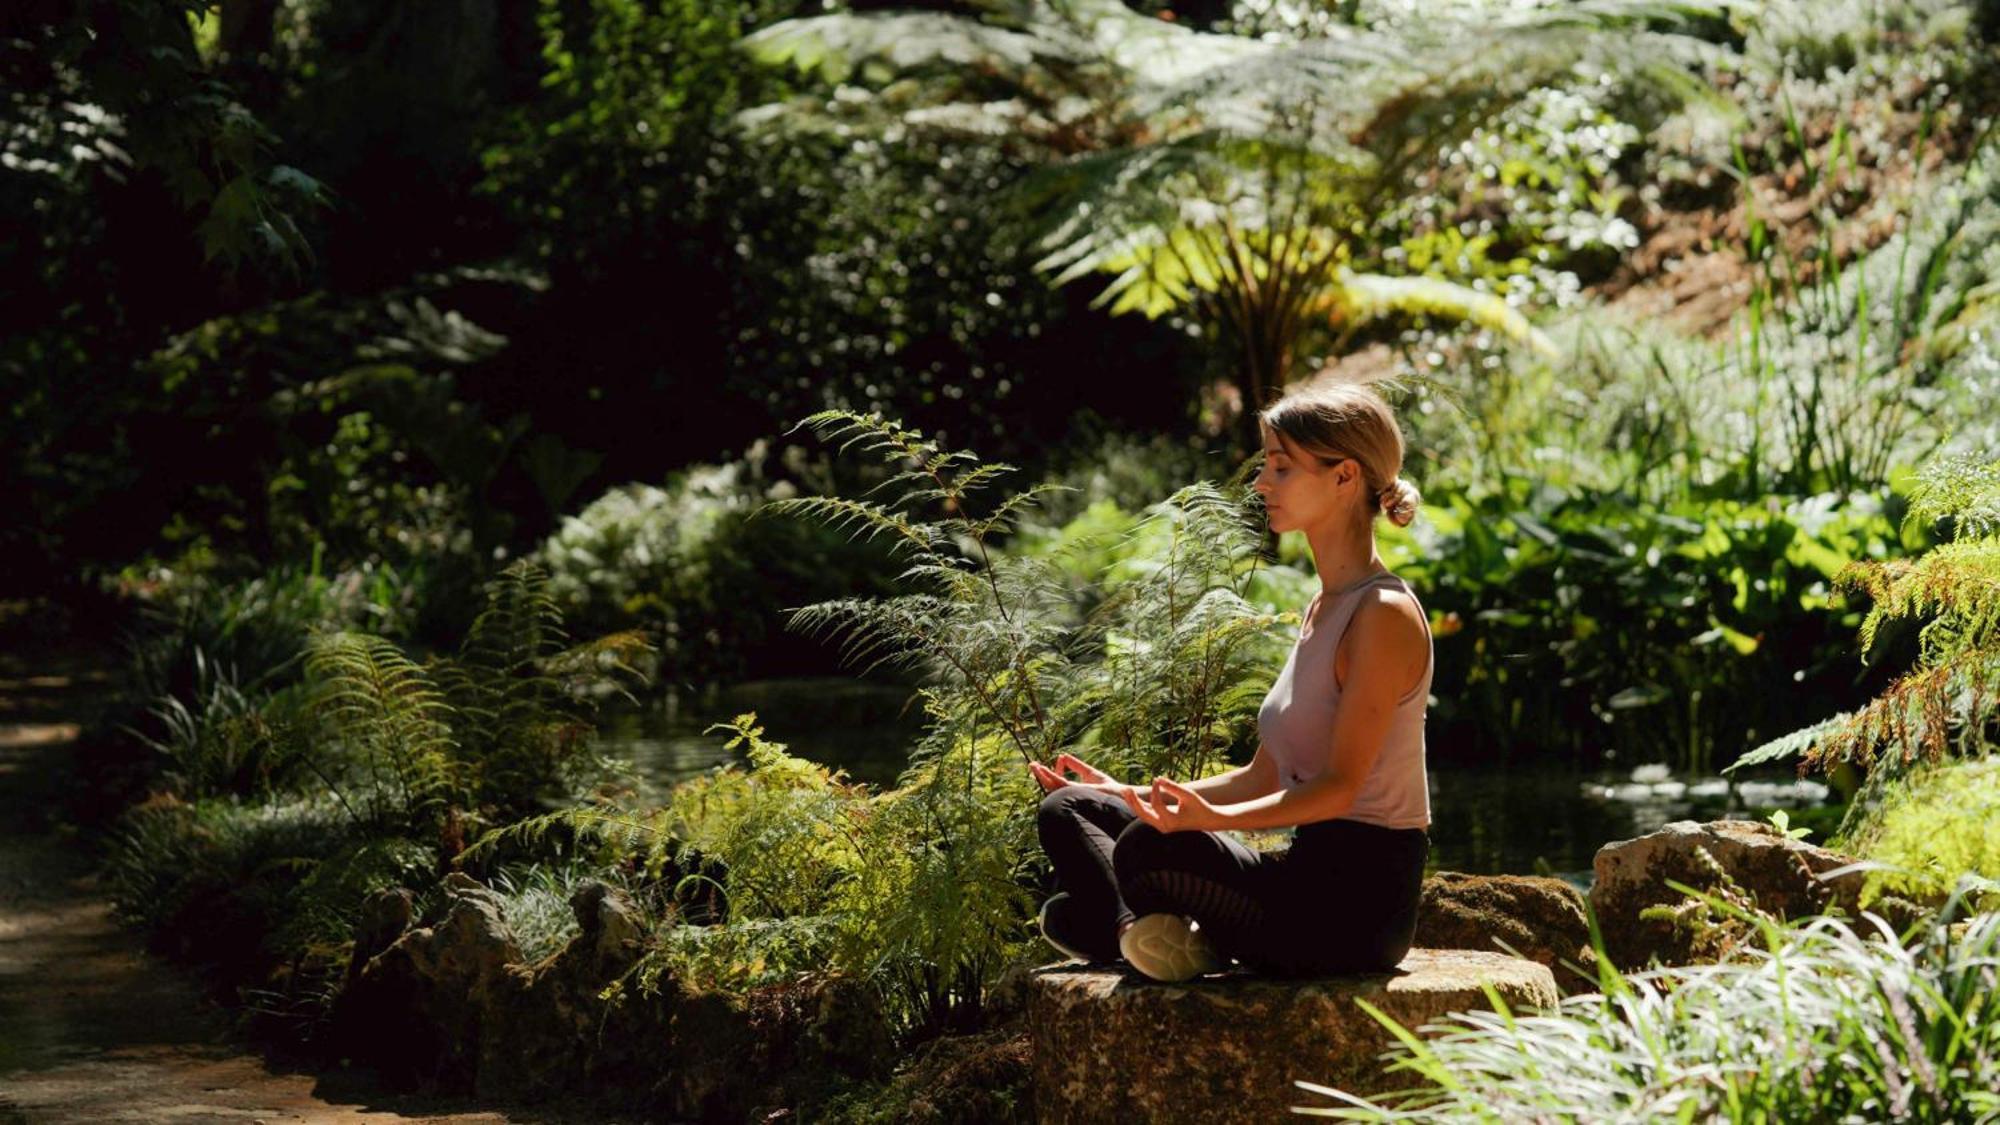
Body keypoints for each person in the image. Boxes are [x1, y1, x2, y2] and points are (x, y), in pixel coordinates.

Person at [1029, 371, 1433, 982]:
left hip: (1353, 910)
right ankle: (1132, 932)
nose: (1262, 483)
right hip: (1302, 875)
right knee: (1070, 807)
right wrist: (1137, 797)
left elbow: (1340, 790)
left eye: (1281, 466)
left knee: (1142, 850)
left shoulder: (1383, 614)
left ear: (1345, 476)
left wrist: (1198, 822)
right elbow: (1264, 775)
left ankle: (1120, 926)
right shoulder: (1325, 606)